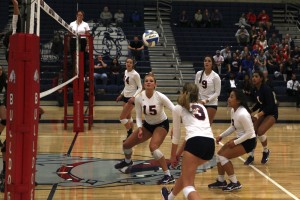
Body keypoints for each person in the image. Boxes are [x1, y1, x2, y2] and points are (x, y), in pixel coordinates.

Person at [114, 73, 175, 185]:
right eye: (146, 81)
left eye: (151, 81)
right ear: (143, 84)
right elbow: (137, 116)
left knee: (153, 147)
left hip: (161, 124)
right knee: (126, 145)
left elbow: (175, 110)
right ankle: (128, 162)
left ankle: (168, 175)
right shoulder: (139, 97)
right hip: (147, 125)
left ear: (155, 84)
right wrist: (140, 128)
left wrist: (175, 128)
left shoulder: (160, 96)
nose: (148, 82)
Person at [161, 83, 215, 200]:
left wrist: (172, 156)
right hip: (210, 145)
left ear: (183, 92)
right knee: (186, 174)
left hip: (195, 143)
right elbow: (190, 136)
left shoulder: (178, 108)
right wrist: (178, 154)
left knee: (188, 186)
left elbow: (176, 136)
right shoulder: (203, 108)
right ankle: (169, 197)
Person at [208, 89, 256, 192]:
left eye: (231, 97)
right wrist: (221, 135)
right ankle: (221, 181)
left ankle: (235, 183)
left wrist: (235, 142)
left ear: (238, 101)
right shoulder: (233, 110)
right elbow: (233, 127)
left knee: (223, 156)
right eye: (229, 96)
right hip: (241, 139)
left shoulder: (242, 113)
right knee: (219, 154)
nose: (228, 99)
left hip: (249, 141)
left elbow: (250, 133)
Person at [244, 70, 278, 165]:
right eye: (253, 76)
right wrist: (250, 111)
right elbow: (259, 103)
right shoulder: (255, 89)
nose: (253, 78)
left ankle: (266, 151)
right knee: (252, 132)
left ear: (261, 78)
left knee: (260, 131)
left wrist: (258, 114)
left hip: (272, 113)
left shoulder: (266, 89)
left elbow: (270, 106)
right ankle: (251, 155)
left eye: (256, 76)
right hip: (263, 111)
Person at [116, 57, 142, 140]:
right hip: (125, 96)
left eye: (130, 62)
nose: (128, 64)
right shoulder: (125, 71)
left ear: (133, 64)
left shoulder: (135, 74)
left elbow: (140, 87)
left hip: (132, 98)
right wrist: (121, 94)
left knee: (122, 118)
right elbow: (126, 86)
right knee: (128, 117)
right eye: (127, 62)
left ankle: (130, 132)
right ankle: (133, 135)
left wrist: (134, 97)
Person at [195, 55, 221, 125]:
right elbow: (196, 89)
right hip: (200, 102)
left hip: (211, 103)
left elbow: (217, 93)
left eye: (209, 61)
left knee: (206, 126)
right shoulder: (198, 74)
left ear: (212, 64)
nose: (206, 62)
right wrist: (197, 100)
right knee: (197, 125)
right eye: (205, 61)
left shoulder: (215, 76)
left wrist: (206, 100)